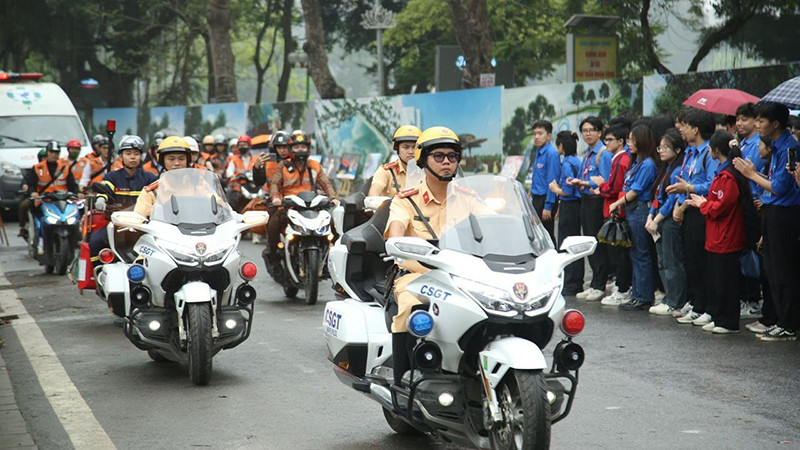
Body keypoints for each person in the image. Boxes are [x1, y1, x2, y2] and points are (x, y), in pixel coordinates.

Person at [384, 126, 462, 386]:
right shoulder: (406, 200)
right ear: (423, 160)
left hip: (463, 279)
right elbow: (395, 230)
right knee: (410, 307)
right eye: (438, 156)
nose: (447, 162)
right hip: (418, 277)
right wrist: (397, 242)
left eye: (452, 156)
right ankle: (402, 379)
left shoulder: (468, 198)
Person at [732, 103, 800, 341]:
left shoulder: (789, 147)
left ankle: (789, 323)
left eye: (761, 121)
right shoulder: (777, 147)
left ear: (775, 124)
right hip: (773, 211)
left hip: (785, 214)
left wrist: (751, 175)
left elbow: (780, 188)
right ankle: (781, 319)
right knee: (772, 269)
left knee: (783, 270)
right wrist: (754, 173)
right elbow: (772, 182)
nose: (757, 125)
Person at [684, 130, 748, 333]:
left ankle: (728, 321)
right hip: (717, 234)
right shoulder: (722, 172)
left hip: (726, 234)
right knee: (716, 279)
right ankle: (718, 315)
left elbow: (721, 206)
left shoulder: (728, 176)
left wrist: (703, 204)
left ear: (716, 150)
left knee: (726, 280)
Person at [666, 109, 718, 325]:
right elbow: (684, 182)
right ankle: (697, 303)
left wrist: (689, 187)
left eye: (685, 126)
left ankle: (706, 306)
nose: (682, 130)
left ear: (695, 129)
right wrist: (680, 204)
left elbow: (713, 185)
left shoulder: (708, 153)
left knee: (702, 261)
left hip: (702, 212)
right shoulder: (691, 153)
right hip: (688, 210)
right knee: (691, 261)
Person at [263, 132, 338, 275]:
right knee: (272, 223)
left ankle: (330, 258)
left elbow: (326, 183)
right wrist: (276, 198)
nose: (300, 150)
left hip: (312, 206)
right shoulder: (282, 166)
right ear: (291, 149)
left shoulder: (315, 165)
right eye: (296, 147)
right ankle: (274, 255)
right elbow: (274, 185)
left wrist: (333, 197)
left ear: (308, 148)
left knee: (333, 224)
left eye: (303, 146)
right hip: (288, 206)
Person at [608, 124, 658, 310]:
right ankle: (637, 294)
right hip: (631, 211)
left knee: (641, 254)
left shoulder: (647, 164)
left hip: (639, 211)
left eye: (632, 140)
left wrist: (617, 203)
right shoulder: (637, 162)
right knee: (635, 254)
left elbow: (636, 190)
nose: (629, 143)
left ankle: (644, 296)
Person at [89, 135, 158, 266]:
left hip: (144, 226)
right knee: (95, 241)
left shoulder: (150, 178)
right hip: (118, 224)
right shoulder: (112, 176)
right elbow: (104, 190)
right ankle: (99, 272)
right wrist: (101, 200)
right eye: (128, 153)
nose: (132, 157)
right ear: (121, 157)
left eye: (136, 154)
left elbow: (159, 196)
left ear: (141, 157)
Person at [568, 116, 612, 301]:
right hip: (585, 199)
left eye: (591, 130)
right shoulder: (587, 153)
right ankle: (594, 282)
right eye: (584, 130)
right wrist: (577, 182)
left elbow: (606, 181)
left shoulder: (604, 153)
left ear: (600, 132)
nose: (587, 134)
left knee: (597, 243)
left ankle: (600, 284)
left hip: (597, 202)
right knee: (589, 242)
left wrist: (584, 182)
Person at [645, 129, 687, 315]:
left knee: (672, 262)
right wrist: (651, 216)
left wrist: (658, 218)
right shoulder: (666, 168)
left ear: (677, 150)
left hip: (669, 220)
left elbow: (672, 200)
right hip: (659, 219)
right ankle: (669, 296)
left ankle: (675, 301)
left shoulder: (678, 169)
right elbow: (658, 195)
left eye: (666, 147)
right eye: (660, 147)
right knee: (662, 261)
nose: (661, 151)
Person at [595, 126, 633, 306]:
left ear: (621, 142)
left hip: (616, 209)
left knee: (618, 252)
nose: (606, 143)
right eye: (606, 140)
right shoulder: (620, 159)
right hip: (615, 208)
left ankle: (622, 288)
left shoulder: (621, 161)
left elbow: (613, 188)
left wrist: (602, 186)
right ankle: (623, 286)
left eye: (610, 140)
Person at [734, 102, 765, 320]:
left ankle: (754, 299)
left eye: (744, 119)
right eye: (737, 119)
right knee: (743, 252)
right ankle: (746, 297)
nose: (739, 123)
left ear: (756, 121)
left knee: (753, 253)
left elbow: (756, 174)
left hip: (755, 204)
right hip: (741, 204)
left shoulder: (758, 145)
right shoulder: (742, 144)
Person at [548, 131, 583, 296]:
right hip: (575, 207)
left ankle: (571, 283)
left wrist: (556, 190)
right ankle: (575, 281)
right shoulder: (576, 160)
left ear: (561, 146)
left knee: (567, 243)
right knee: (575, 242)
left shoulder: (568, 164)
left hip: (570, 207)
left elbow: (568, 191)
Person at [29, 141, 80, 253]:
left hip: (62, 201)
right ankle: (39, 243)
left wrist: (77, 193)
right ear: (47, 152)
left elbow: (72, 185)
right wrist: (33, 192)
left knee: (75, 220)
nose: (54, 154)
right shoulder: (37, 168)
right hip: (44, 201)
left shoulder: (65, 168)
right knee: (40, 221)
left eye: (56, 152)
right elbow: (31, 184)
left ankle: (75, 242)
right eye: (52, 152)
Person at [133, 137, 193, 218]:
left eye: (181, 159)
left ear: (187, 161)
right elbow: (139, 221)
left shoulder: (198, 186)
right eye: (171, 159)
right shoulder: (151, 192)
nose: (177, 163)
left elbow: (215, 204)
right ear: (163, 162)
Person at [527, 120, 560, 243]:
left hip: (546, 199)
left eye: (540, 133)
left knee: (547, 235)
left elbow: (552, 181)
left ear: (549, 136)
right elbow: (539, 177)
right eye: (534, 133)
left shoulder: (551, 154)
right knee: (538, 235)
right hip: (537, 198)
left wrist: (548, 206)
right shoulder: (538, 152)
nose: (536, 137)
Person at [369, 125, 421, 197]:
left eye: (414, 147)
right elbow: (374, 193)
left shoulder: (426, 172)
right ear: (398, 149)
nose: (411, 151)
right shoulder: (386, 171)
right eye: (406, 147)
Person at [226, 134, 256, 209]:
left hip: (252, 186)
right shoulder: (234, 159)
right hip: (238, 187)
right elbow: (229, 171)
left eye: (244, 145)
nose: (242, 147)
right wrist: (232, 175)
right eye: (240, 145)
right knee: (230, 193)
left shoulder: (255, 159)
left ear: (249, 145)